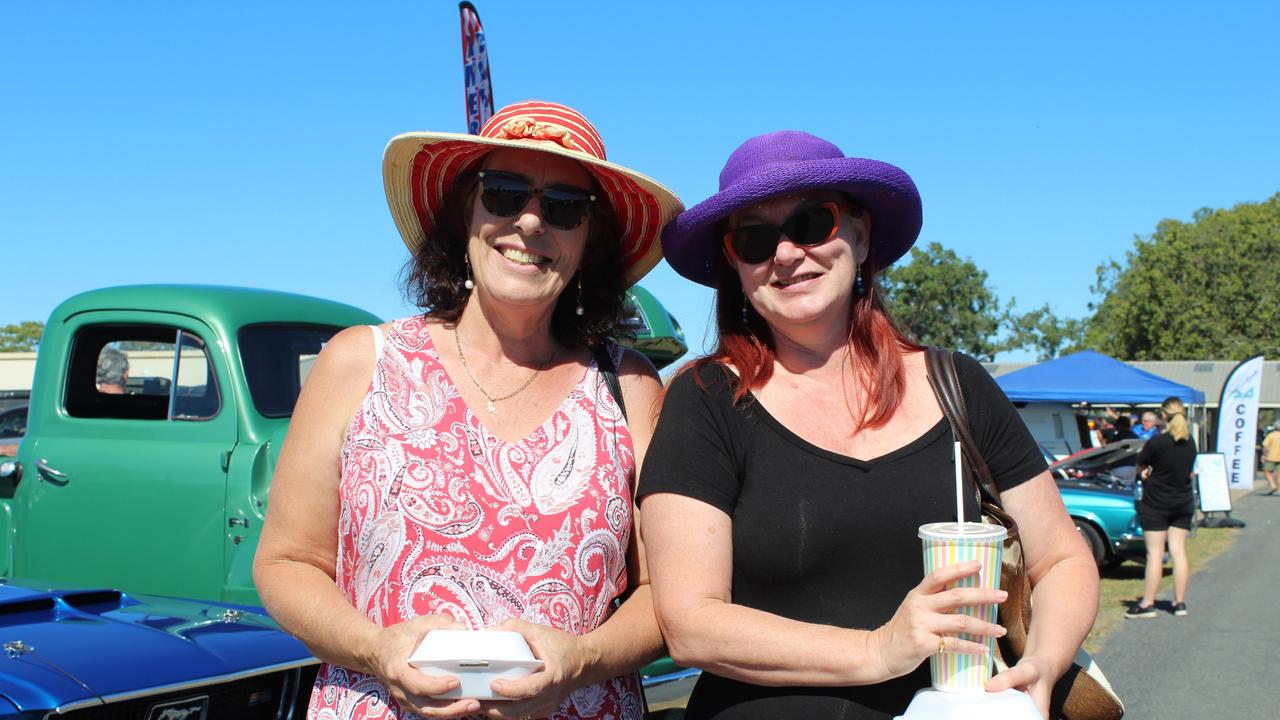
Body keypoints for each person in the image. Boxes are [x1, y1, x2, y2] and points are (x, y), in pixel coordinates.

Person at [638, 131, 1099, 719]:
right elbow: (691, 624)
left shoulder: (957, 384)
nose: (784, 254)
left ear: (859, 233)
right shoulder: (705, 401)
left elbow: (1061, 558)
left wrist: (1044, 665)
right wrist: (879, 649)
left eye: (812, 223)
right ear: (736, 264)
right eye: (754, 239)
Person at [253, 100, 683, 720]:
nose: (531, 222)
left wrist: (580, 661)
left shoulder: (631, 387)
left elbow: (662, 592)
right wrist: (377, 649)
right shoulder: (359, 363)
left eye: (564, 207)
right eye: (504, 194)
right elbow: (288, 562)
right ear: (466, 215)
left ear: (590, 242)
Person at [1125, 397, 1198, 619]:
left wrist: (1147, 473)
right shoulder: (1190, 442)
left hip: (1157, 503)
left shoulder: (1157, 442)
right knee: (1179, 551)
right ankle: (1179, 603)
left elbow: (1140, 467)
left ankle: (1147, 604)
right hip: (1182, 501)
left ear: (1163, 415)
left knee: (1155, 554)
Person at [1108, 415, 1140, 486]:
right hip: (1133, 468)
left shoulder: (1117, 437)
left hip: (1119, 468)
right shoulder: (1136, 436)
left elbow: (1109, 453)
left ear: (1119, 425)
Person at [1260, 425, 1280, 495]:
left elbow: (1265, 446)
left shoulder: (1271, 435)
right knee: (1279, 473)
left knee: (1266, 470)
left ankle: (1272, 485)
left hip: (1271, 457)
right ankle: (1279, 490)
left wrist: (1264, 455)